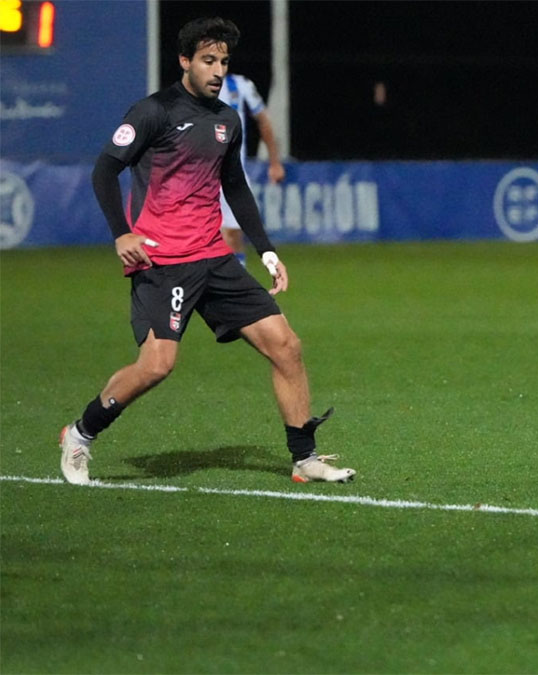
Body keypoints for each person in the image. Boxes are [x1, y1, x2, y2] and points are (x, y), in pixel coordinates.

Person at [59, 17, 354, 485]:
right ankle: (80, 434)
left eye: (224, 62)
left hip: (213, 257)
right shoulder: (153, 112)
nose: (218, 70)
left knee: (286, 345)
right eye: (208, 60)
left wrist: (267, 251)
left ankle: (305, 459)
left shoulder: (226, 120)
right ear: (185, 61)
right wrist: (121, 233)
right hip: (162, 263)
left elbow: (234, 186)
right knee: (157, 366)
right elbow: (103, 171)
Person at [218, 72, 286, 265]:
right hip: (201, 174)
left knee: (232, 234)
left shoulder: (240, 85)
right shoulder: (193, 87)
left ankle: (235, 289)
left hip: (233, 174)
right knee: (210, 238)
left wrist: (275, 162)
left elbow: (263, 121)